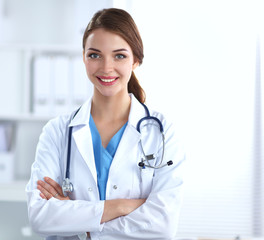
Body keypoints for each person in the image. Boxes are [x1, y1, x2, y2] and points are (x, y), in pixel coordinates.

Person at [26, 8, 185, 240]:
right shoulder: (57, 132)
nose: (106, 67)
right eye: (95, 55)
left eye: (119, 55)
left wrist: (80, 222)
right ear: (83, 57)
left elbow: (163, 224)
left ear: (136, 60)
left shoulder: (161, 132)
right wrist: (121, 206)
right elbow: (40, 217)